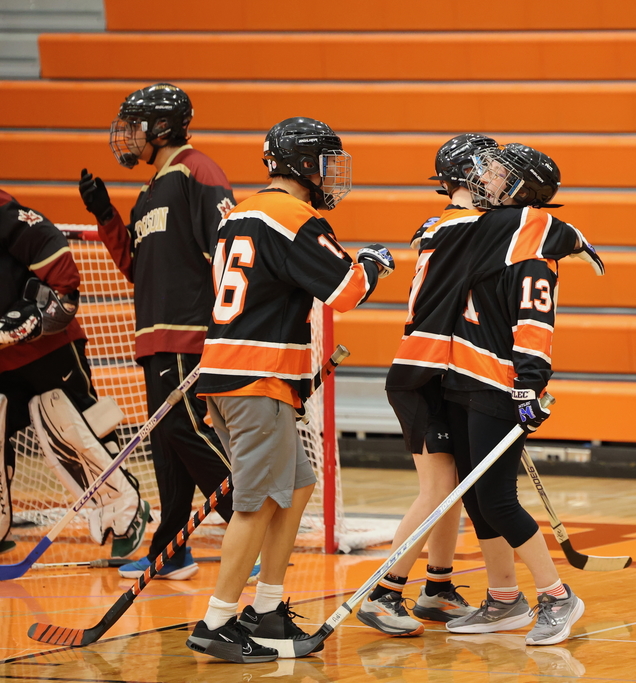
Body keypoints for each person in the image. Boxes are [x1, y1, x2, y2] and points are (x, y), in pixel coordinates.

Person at [185, 116, 396, 663]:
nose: (332, 176)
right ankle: (217, 622)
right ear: (304, 165)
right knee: (255, 504)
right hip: (254, 382)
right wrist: (374, 264)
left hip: (241, 379)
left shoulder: (242, 215)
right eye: (326, 163)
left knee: (296, 485)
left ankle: (270, 609)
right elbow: (345, 291)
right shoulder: (291, 217)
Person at [441, 143, 604, 647]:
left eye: (496, 172)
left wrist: (529, 387)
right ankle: (504, 599)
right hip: (464, 379)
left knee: (498, 499)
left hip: (500, 386)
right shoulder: (498, 230)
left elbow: (535, 325)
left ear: (520, 189)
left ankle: (557, 596)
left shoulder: (530, 241)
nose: (484, 177)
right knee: (476, 498)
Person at [79, 83, 238, 580]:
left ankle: (249, 530)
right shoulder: (148, 193)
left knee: (182, 430)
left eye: (134, 126)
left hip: (189, 334)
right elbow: (135, 266)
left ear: (160, 127)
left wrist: (224, 326)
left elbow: (227, 248)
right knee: (165, 446)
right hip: (153, 340)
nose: (125, 137)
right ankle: (171, 549)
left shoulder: (198, 171)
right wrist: (105, 215)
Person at [358, 134, 499, 637]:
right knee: (438, 487)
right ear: (468, 176)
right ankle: (384, 592)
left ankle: (438, 588)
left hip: (442, 369)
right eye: (492, 169)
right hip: (423, 371)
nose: (501, 178)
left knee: (453, 485)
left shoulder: (454, 224)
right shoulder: (467, 226)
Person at [0, 189, 149, 557]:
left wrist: (27, 319)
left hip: (47, 349)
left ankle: (124, 515)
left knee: (76, 427)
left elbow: (60, 275)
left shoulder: (5, 211)